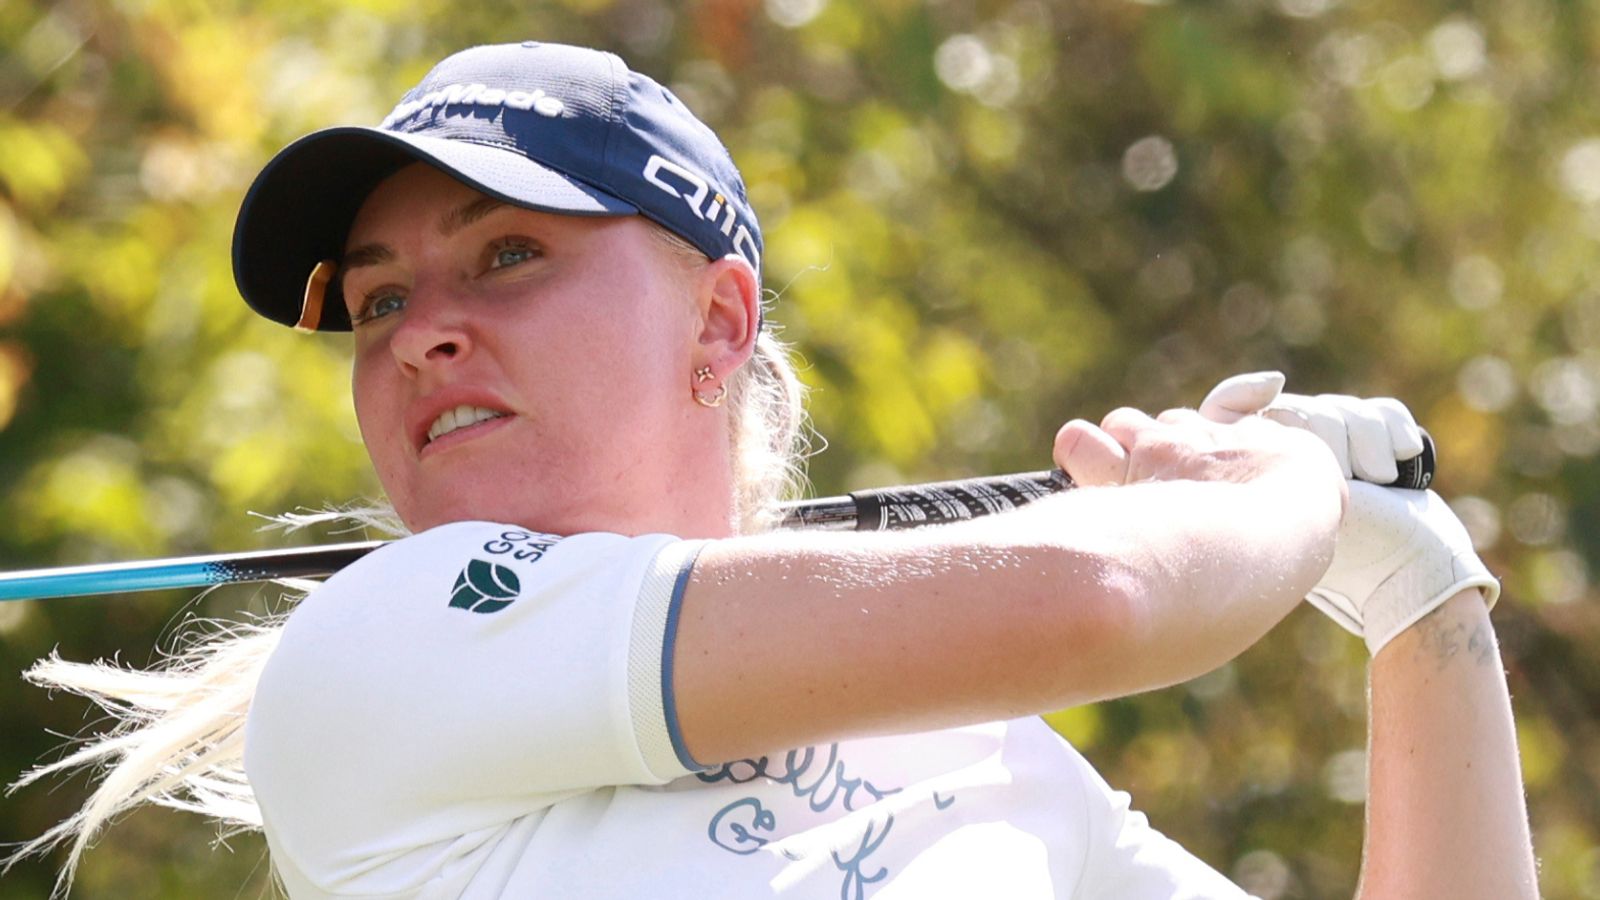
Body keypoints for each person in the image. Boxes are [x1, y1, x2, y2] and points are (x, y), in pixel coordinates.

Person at [10, 40, 1536, 899]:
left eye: (510, 255)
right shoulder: (383, 649)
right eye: (384, 297)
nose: (423, 335)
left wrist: (1422, 603)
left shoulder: (981, 753)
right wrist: (1278, 493)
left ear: (716, 319)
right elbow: (1109, 596)